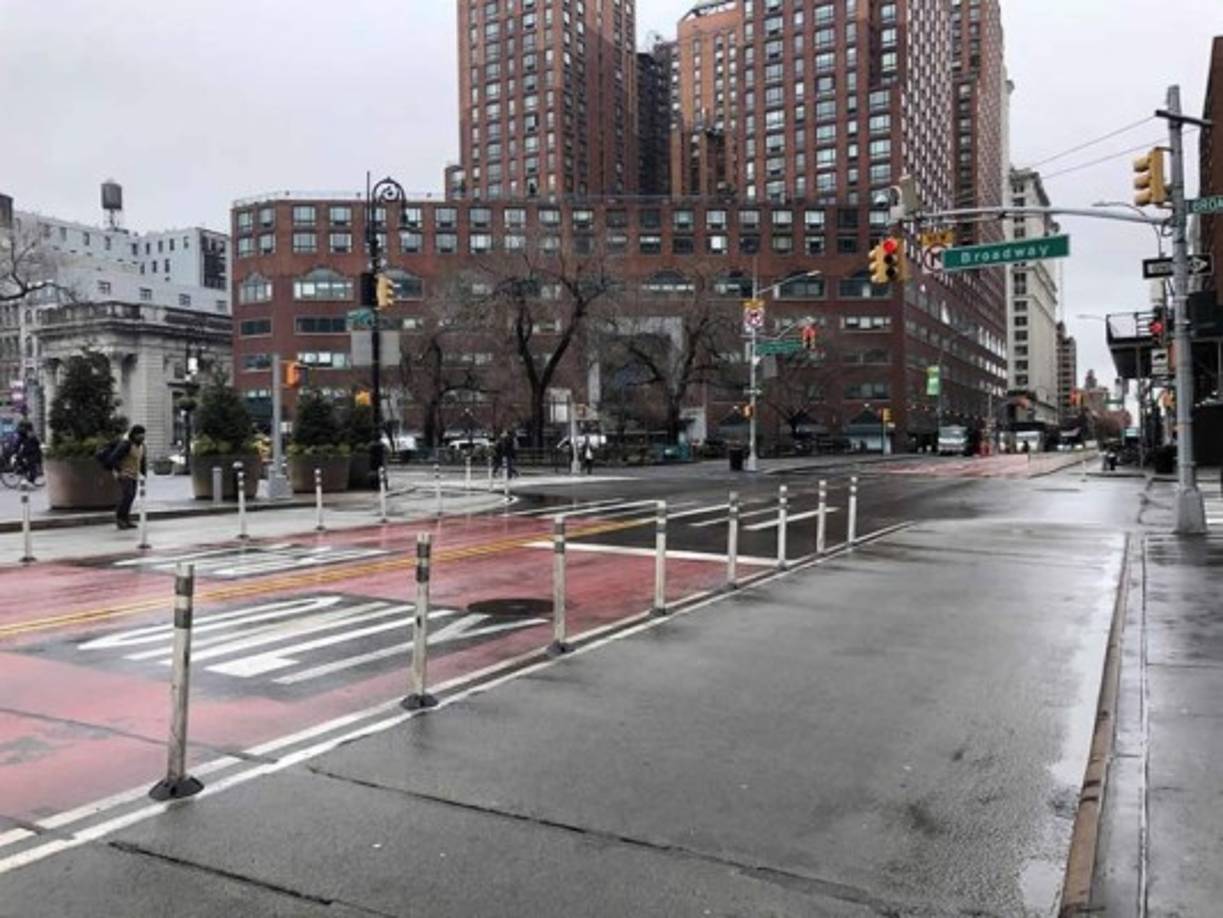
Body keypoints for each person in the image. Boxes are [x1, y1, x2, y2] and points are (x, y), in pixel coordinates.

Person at [111, 425, 147, 530]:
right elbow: (113, 458)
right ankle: (120, 519)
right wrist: (119, 471)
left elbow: (142, 461)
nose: (142, 436)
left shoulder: (142, 447)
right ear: (133, 435)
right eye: (139, 434)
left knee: (131, 497)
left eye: (143, 434)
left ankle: (126, 519)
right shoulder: (126, 445)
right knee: (127, 495)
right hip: (124, 474)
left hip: (134, 475)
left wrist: (144, 475)